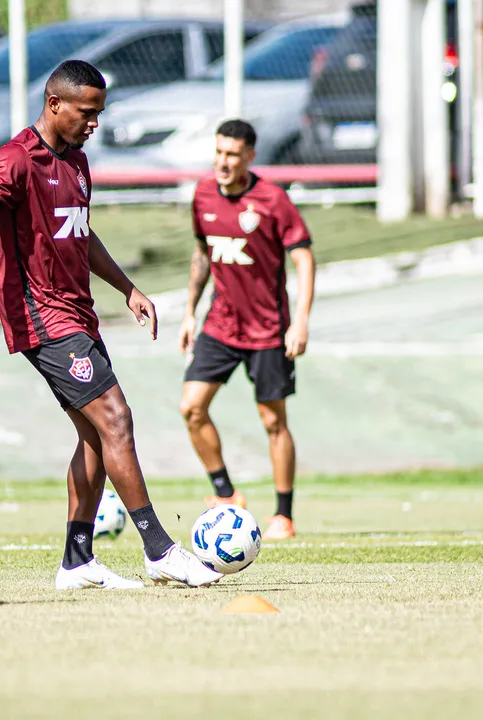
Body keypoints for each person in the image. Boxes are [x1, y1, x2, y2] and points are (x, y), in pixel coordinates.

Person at [0, 60, 221, 590]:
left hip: (77, 312)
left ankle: (76, 561)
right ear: (54, 105)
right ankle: (160, 550)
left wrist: (129, 289)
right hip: (41, 316)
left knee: (96, 436)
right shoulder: (16, 158)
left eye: (99, 113)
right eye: (86, 112)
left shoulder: (78, 162)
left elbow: (82, 234)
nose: (94, 123)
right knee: (116, 417)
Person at [178, 119, 316, 541]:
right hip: (220, 325)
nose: (223, 162)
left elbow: (304, 259)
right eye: (219, 152)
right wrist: (190, 313)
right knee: (191, 406)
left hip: (269, 330)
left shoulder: (273, 200)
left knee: (273, 422)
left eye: (233, 154)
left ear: (250, 157)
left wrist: (301, 321)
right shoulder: (202, 193)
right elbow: (203, 254)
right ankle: (226, 494)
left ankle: (284, 516)